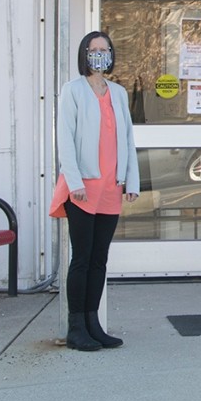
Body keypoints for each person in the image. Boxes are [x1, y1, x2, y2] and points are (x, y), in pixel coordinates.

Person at [49, 31, 140, 351]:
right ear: (84, 54)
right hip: (83, 188)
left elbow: (127, 138)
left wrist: (132, 179)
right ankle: (76, 327)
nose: (99, 54)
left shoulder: (118, 92)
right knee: (82, 258)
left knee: (100, 259)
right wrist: (74, 183)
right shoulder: (72, 90)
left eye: (105, 50)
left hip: (110, 188)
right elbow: (65, 140)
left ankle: (93, 324)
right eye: (94, 50)